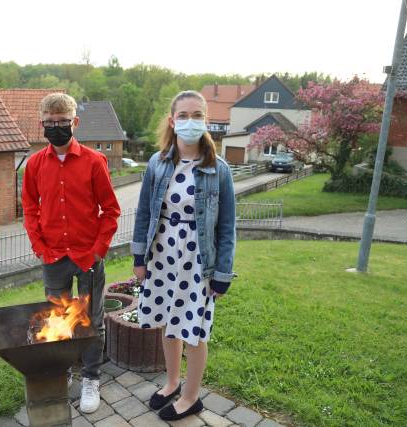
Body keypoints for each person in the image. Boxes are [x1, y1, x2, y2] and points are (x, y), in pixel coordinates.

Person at [131, 90, 236, 421]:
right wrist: (138, 258)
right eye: (184, 115)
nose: (190, 121)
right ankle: (172, 382)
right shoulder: (157, 163)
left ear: (205, 121)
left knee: (193, 331)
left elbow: (227, 228)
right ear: (172, 120)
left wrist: (222, 274)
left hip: (198, 263)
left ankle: (191, 397)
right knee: (167, 323)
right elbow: (144, 213)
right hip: (162, 256)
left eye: (197, 115)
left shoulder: (218, 170)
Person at [22, 93, 121, 414]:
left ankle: (91, 378)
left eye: (62, 122)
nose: (56, 127)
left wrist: (97, 251)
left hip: (88, 258)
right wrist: (39, 247)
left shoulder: (94, 161)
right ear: (42, 125)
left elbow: (111, 210)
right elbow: (29, 209)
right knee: (57, 318)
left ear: (74, 122)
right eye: (50, 123)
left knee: (91, 320)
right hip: (53, 259)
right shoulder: (35, 164)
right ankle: (62, 372)